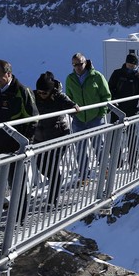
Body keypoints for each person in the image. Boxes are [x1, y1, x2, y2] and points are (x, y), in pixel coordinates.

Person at [0, 59, 39, 231]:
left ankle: (19, 220)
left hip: (14, 147)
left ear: (8, 74)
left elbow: (33, 118)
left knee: (17, 182)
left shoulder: (22, 91)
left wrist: (24, 142)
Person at [33, 71, 79, 207]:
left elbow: (72, 105)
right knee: (41, 166)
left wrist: (73, 107)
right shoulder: (34, 96)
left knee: (52, 167)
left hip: (58, 137)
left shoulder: (58, 96)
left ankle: (52, 200)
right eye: (39, 92)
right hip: (40, 139)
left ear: (51, 90)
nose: (41, 95)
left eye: (44, 92)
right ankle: (56, 180)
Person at [65, 53, 111, 182]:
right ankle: (84, 175)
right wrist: (72, 111)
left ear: (85, 63)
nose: (78, 67)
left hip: (95, 117)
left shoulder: (96, 76)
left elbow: (106, 95)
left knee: (99, 146)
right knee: (80, 148)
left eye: (80, 64)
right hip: (78, 119)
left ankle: (104, 170)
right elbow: (69, 97)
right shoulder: (70, 78)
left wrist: (101, 113)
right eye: (75, 65)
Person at [108, 53, 139, 169]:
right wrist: (113, 101)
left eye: (133, 65)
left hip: (132, 111)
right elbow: (110, 88)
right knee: (114, 137)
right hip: (117, 109)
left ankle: (132, 162)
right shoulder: (117, 73)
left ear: (136, 65)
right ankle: (118, 161)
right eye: (129, 64)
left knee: (132, 137)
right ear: (125, 63)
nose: (131, 67)